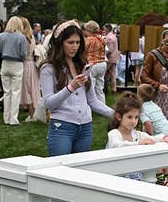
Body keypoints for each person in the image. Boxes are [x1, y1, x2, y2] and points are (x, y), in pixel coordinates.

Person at [107, 92, 168, 202]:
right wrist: (138, 144)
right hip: (119, 184)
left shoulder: (137, 134)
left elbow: (152, 138)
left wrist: (163, 137)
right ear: (119, 117)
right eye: (129, 117)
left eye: (136, 117)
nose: (133, 121)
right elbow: (118, 145)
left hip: (136, 184)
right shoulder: (114, 134)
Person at [40, 19, 114, 156]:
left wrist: (116, 115)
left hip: (85, 127)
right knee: (61, 167)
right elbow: (49, 104)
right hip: (62, 126)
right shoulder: (48, 68)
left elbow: (92, 101)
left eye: (78, 42)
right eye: (70, 42)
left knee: (81, 167)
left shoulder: (82, 65)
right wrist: (70, 87)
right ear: (60, 43)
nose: (75, 46)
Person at [137, 83, 168, 186]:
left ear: (139, 96)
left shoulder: (142, 109)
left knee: (157, 157)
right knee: (165, 158)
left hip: (163, 135)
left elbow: (147, 123)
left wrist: (151, 136)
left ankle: (160, 178)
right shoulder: (154, 105)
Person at [0, 17, 27, 125]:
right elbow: (23, 53)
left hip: (5, 63)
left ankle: (6, 117)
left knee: (7, 92)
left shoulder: (2, 36)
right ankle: (13, 119)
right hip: (17, 64)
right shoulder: (21, 37)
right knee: (16, 92)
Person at [20, 17, 40, 122]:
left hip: (25, 64)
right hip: (32, 64)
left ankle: (31, 114)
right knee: (32, 88)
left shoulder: (24, 38)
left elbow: (23, 53)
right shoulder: (31, 37)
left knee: (27, 89)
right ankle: (33, 113)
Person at [82, 20, 107, 103]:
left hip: (92, 64)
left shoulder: (89, 40)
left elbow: (82, 51)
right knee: (100, 88)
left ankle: (90, 105)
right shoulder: (101, 39)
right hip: (102, 63)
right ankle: (102, 106)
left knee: (91, 87)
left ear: (88, 30)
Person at [103, 24, 120, 93]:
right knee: (113, 74)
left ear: (107, 29)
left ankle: (105, 89)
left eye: (104, 28)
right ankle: (114, 89)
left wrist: (105, 55)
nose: (103, 30)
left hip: (110, 58)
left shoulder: (109, 38)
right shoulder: (113, 36)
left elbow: (110, 50)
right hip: (115, 57)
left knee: (103, 73)